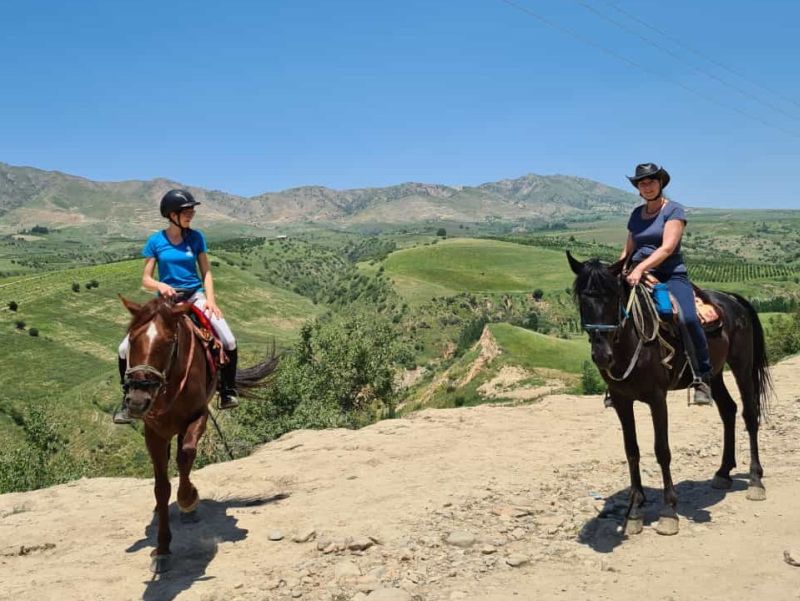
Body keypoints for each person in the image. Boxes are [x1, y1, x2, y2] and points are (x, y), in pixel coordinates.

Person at [113, 189, 239, 424]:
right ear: (172, 214)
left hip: (194, 297)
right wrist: (161, 285)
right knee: (123, 349)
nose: (191, 214)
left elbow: (206, 272)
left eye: (192, 210)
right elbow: (146, 279)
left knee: (229, 340)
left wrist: (211, 301)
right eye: (187, 210)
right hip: (166, 302)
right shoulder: (156, 241)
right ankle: (126, 399)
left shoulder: (196, 237)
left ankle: (227, 391)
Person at [619, 163, 714, 405]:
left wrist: (640, 268)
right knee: (614, 314)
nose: (647, 186)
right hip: (637, 273)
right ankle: (616, 379)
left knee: (687, 318)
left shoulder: (674, 211)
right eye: (642, 183)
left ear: (660, 183)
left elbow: (667, 248)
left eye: (651, 181)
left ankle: (702, 376)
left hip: (670, 274)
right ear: (638, 188)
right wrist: (617, 270)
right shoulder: (636, 215)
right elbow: (629, 249)